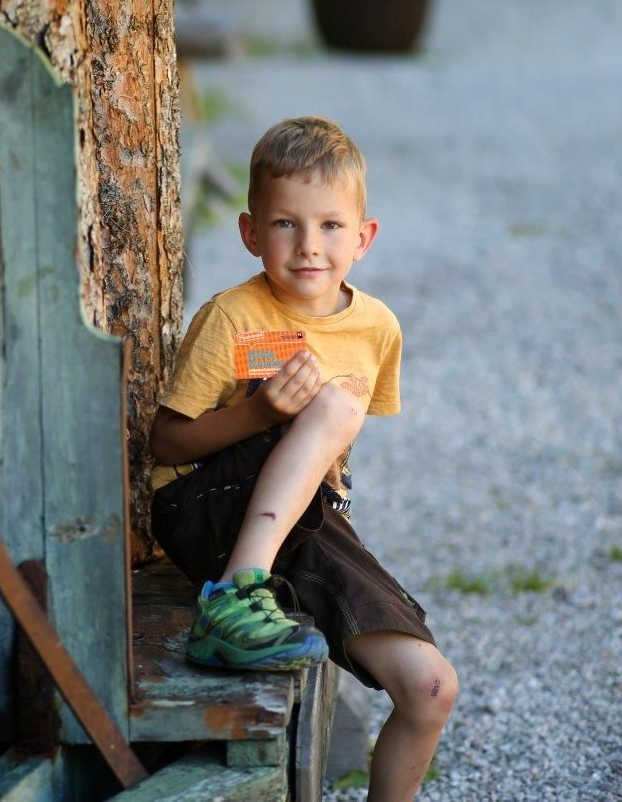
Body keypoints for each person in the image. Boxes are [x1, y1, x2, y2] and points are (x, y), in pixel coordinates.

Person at [149, 116, 457, 800]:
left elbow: (331, 459)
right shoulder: (232, 317)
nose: (308, 246)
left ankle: (252, 588)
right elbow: (164, 446)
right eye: (285, 224)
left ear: (364, 237)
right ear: (251, 233)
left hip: (302, 514)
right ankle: (233, 597)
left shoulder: (376, 327)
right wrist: (258, 413)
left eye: (329, 226)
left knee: (432, 687)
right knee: (337, 401)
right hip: (202, 508)